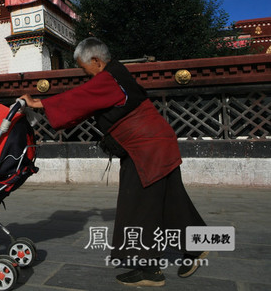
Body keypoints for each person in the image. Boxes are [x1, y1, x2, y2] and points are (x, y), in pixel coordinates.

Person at [20, 37, 208, 287]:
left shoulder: (109, 78)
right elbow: (85, 105)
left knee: (139, 206)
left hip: (145, 149)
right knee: (171, 199)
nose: (84, 74)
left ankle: (149, 271)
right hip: (157, 143)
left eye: (84, 67)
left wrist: (39, 102)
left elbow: (79, 99)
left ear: (96, 61)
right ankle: (200, 246)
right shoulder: (114, 77)